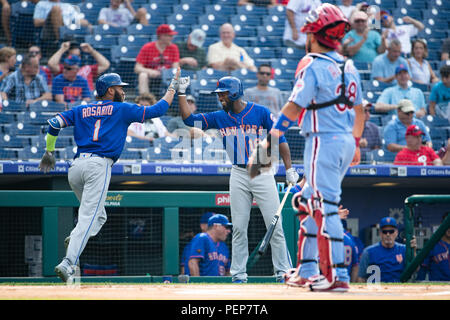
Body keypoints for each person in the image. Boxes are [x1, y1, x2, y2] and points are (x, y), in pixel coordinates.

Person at [256, 3, 365, 292]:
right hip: (342, 140)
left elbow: (293, 107)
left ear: (314, 34)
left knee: (325, 207)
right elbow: (361, 112)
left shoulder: (314, 65)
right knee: (306, 202)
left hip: (323, 140)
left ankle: (337, 276)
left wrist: (271, 136)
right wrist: (354, 143)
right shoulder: (349, 65)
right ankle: (307, 270)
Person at [38, 69, 181, 283]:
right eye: (120, 88)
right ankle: (69, 262)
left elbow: (53, 124)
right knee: (88, 219)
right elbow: (158, 109)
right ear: (110, 90)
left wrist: (49, 151)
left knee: (99, 216)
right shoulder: (121, 108)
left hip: (75, 168)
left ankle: (78, 237)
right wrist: (173, 87)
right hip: (98, 165)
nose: (123, 92)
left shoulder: (81, 108)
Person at [179, 76, 298, 283]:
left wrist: (289, 169)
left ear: (234, 92)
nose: (220, 97)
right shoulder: (219, 116)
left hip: (262, 168)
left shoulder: (260, 112)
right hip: (238, 172)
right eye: (219, 94)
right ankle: (238, 275)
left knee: (275, 226)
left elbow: (281, 140)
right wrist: (180, 93)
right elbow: (190, 120)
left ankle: (283, 272)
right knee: (239, 228)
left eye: (223, 93)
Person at [357, 217, 416, 283]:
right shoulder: (368, 252)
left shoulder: (404, 249)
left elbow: (415, 270)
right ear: (380, 233)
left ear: (396, 233)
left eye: (391, 231)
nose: (388, 234)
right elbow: (361, 277)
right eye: (385, 232)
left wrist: (413, 251)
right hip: (376, 291)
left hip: (398, 290)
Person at [135, 24, 180, 95]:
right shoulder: (147, 47)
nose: (172, 38)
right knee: (143, 75)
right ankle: (145, 101)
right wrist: (150, 71)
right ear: (162, 36)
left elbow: (175, 67)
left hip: (167, 77)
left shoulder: (174, 48)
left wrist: (168, 73)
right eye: (170, 36)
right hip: (152, 78)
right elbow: (137, 68)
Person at [416, 212, 450, 281]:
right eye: (447, 224)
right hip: (438, 288)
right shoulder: (432, 245)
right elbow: (423, 270)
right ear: (442, 225)